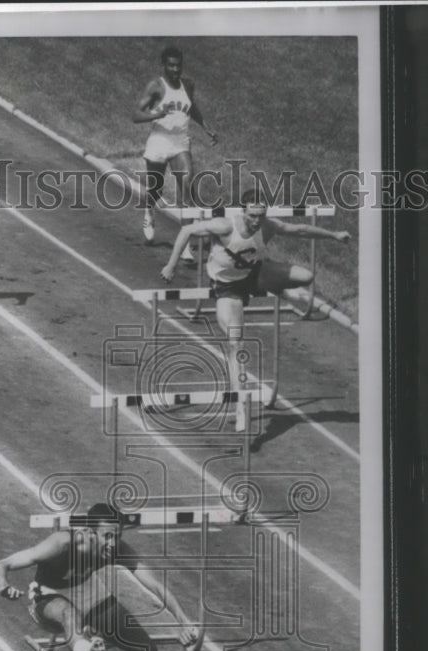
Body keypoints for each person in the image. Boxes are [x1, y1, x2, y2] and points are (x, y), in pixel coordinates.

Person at [160, 188, 352, 430]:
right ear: (243, 211)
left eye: (261, 215)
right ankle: (240, 403)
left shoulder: (267, 226)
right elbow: (187, 229)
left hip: (255, 275)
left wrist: (334, 235)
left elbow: (299, 230)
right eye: (252, 215)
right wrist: (171, 265)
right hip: (228, 288)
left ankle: (277, 288)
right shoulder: (224, 226)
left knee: (306, 275)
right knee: (235, 343)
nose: (256, 221)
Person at [0, 502, 202, 651]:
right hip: (48, 596)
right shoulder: (63, 543)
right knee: (68, 613)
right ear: (91, 533)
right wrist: (3, 585)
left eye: (117, 536)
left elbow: (155, 585)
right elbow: (1, 564)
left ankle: (94, 634)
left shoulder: (118, 549)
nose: (112, 543)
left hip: (87, 591)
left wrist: (183, 620)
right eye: (107, 536)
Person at [133, 45, 218, 252]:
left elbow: (192, 106)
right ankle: (149, 212)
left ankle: (186, 244)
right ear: (163, 66)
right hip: (159, 141)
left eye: (178, 66)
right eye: (171, 66)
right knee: (156, 189)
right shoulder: (156, 86)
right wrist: (157, 114)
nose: (175, 70)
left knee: (188, 186)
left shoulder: (188, 85)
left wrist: (206, 127)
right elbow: (135, 115)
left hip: (181, 142)